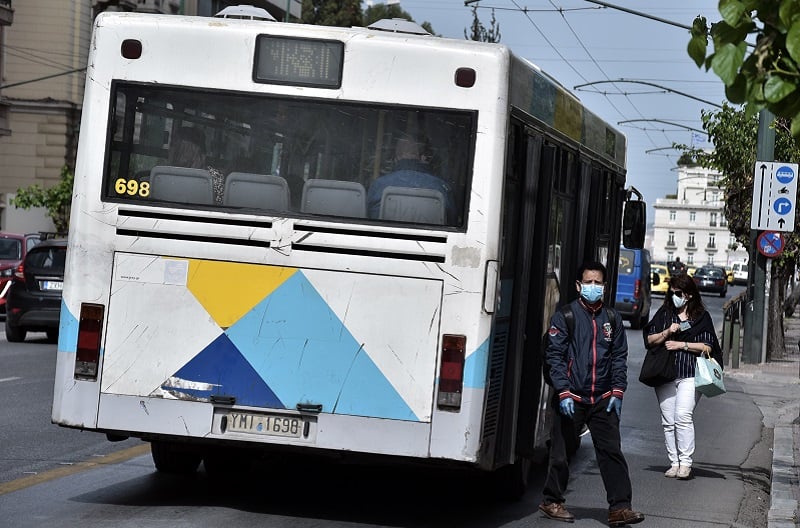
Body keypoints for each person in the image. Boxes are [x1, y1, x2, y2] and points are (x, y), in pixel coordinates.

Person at [539, 261, 645, 526]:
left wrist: (618, 392)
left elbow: (620, 357)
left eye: (598, 283)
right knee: (562, 454)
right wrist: (562, 391)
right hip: (571, 399)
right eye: (589, 282)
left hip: (603, 399)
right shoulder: (565, 317)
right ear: (578, 286)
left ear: (605, 286)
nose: (593, 287)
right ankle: (552, 500)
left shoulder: (612, 319)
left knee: (611, 453)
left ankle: (620, 508)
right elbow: (555, 356)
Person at [642, 272, 723, 480]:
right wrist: (667, 332)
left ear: (688, 295)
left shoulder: (701, 317)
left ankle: (686, 463)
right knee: (668, 420)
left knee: (683, 416)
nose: (674, 296)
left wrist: (682, 345)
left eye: (678, 293)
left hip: (690, 374)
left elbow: (708, 346)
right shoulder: (665, 314)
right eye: (672, 293)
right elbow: (650, 339)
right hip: (665, 373)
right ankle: (674, 462)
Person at [366, 135, 455, 220]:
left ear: (396, 159)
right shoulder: (441, 187)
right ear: (421, 158)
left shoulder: (378, 185)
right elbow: (452, 224)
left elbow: (367, 218)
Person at [167, 126, 225, 205]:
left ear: (202, 155)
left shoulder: (215, 179)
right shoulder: (163, 174)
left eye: (187, 151)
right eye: (179, 151)